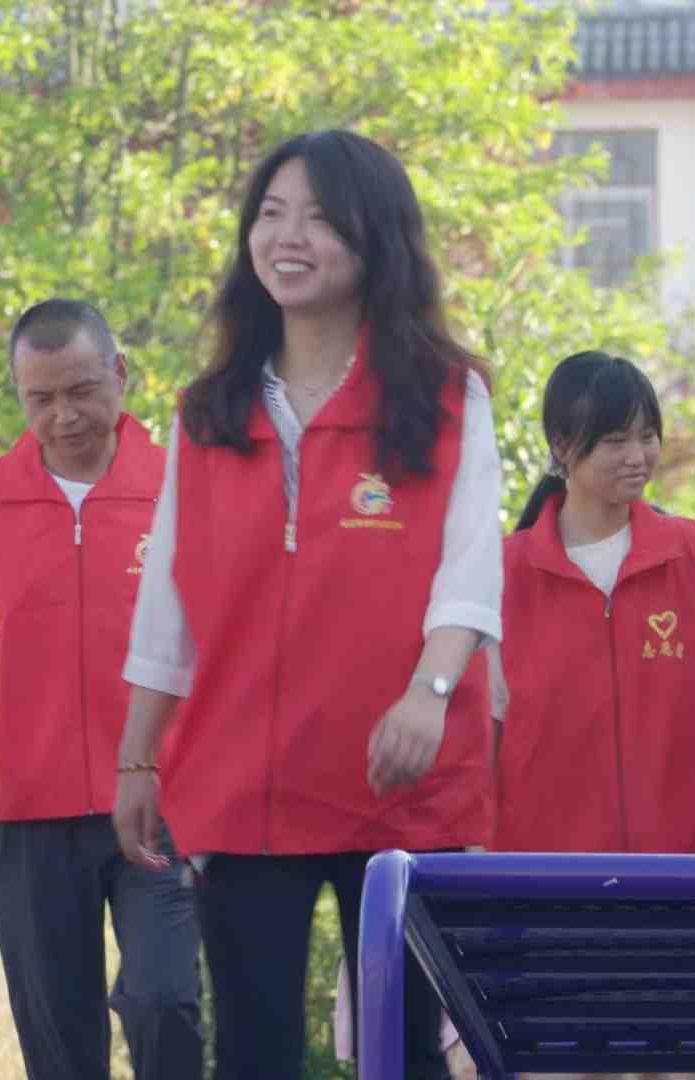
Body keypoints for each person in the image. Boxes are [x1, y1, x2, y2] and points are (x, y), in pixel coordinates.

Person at [111, 129, 502, 1080]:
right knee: (252, 1051)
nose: (287, 238)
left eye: (320, 219)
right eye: (272, 214)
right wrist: (137, 758)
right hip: (245, 783)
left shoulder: (446, 398)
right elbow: (168, 603)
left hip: (400, 781)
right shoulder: (209, 412)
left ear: (376, 240)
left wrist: (428, 693)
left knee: (402, 1052)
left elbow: (469, 569)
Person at [0, 300, 201, 1079]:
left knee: (165, 1000)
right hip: (27, 809)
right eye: (39, 399)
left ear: (120, 375)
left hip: (160, 801)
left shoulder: (179, 488)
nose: (63, 416)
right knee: (59, 1048)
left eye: (81, 391)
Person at [497, 351, 695, 860]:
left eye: (647, 436)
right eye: (615, 441)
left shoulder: (691, 552)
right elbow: (488, 727)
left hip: (674, 856)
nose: (638, 455)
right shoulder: (506, 571)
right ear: (562, 445)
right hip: (539, 861)